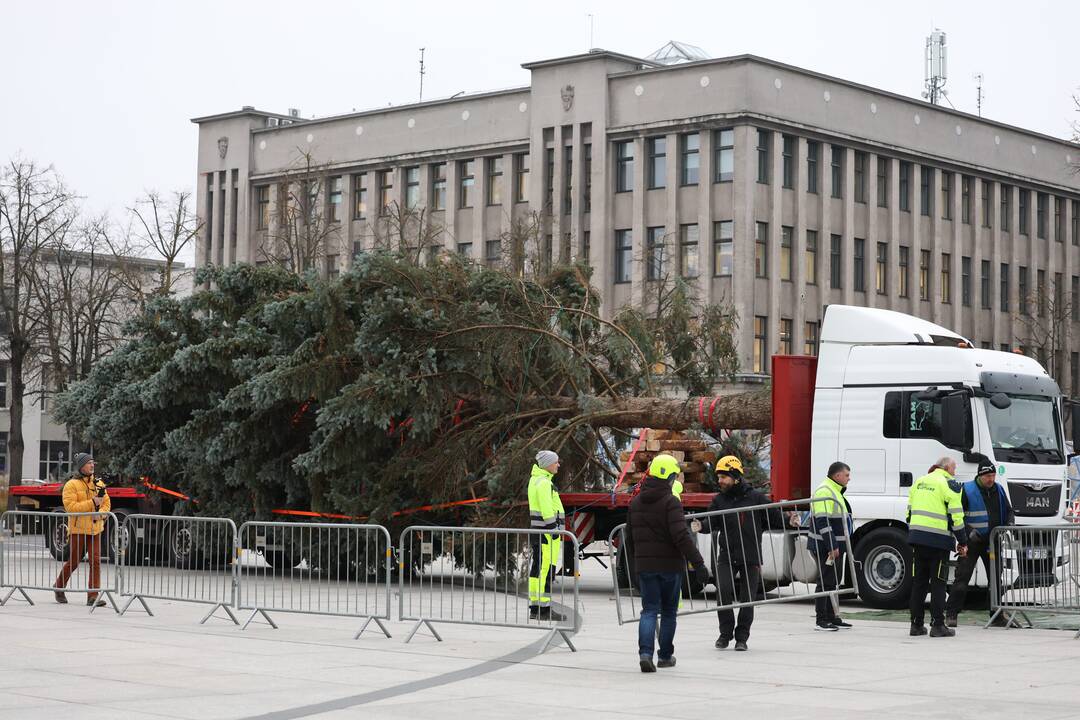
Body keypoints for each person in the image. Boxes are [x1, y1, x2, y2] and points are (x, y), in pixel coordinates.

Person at [693, 455, 797, 651]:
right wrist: (702, 526)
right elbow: (712, 522)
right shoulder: (719, 500)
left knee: (747, 598)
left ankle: (742, 638)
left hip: (750, 556)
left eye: (723, 477)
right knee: (723, 592)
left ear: (735, 476)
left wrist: (789, 521)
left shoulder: (755, 497)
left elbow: (775, 517)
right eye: (719, 477)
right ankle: (725, 634)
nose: (720, 481)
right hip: (726, 555)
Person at [626, 453, 709, 673]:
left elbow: (629, 538)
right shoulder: (670, 501)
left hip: (645, 567)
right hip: (670, 567)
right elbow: (681, 536)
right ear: (669, 477)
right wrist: (698, 564)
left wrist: (634, 566)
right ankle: (664, 656)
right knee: (669, 612)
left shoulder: (635, 502)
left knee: (648, 611)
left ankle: (645, 654)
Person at [946, 454, 1014, 627]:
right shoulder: (966, 490)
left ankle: (997, 615)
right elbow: (956, 515)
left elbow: (1008, 510)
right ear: (979, 476)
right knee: (962, 577)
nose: (991, 479)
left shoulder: (998, 489)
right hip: (972, 542)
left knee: (996, 580)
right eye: (987, 476)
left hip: (993, 541)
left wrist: (1009, 524)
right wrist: (968, 533)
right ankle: (951, 614)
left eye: (992, 476)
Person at [907, 456, 967, 637]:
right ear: (947, 468)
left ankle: (916, 625)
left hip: (917, 539)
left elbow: (909, 512)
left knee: (919, 583)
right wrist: (962, 541)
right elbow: (956, 516)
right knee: (938, 584)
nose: (955, 472)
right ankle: (938, 625)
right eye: (954, 468)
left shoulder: (919, 481)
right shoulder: (950, 485)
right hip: (938, 541)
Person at [53, 453, 110, 607]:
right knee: (74, 562)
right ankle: (58, 587)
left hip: (95, 529)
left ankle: (93, 595)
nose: (92, 465)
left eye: (93, 462)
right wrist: (92, 503)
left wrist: (100, 515)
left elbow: (106, 503)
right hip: (78, 529)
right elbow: (71, 508)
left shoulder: (99, 483)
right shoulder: (71, 485)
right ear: (81, 466)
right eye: (88, 463)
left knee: (96, 561)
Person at [809, 461, 855, 631]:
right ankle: (821, 620)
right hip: (826, 547)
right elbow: (823, 521)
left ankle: (832, 617)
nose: (849, 479)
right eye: (847, 475)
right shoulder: (825, 491)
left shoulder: (834, 490)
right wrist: (832, 546)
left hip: (834, 546)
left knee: (832, 582)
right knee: (825, 582)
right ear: (837, 476)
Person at [527, 450, 565, 621]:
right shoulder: (543, 483)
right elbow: (546, 510)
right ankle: (544, 610)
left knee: (538, 570)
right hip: (547, 534)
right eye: (556, 462)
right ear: (547, 464)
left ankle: (535, 607)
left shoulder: (536, 480)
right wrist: (554, 530)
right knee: (545, 570)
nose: (558, 465)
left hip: (540, 532)